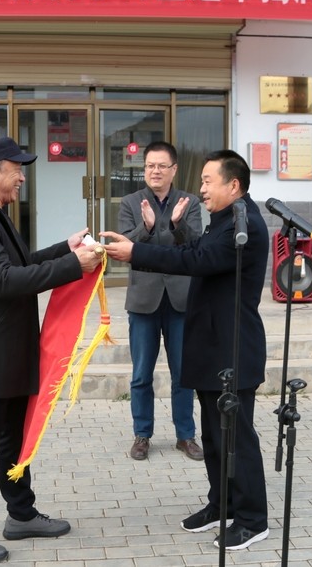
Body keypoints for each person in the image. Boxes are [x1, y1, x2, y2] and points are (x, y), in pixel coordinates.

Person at [0, 136, 102, 564]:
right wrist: (72, 267)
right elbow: (3, 280)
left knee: (13, 438)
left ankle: (21, 514)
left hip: (8, 348)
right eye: (16, 169)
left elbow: (21, 264)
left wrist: (65, 250)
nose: (22, 178)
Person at [102, 149, 270, 551]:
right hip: (211, 345)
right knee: (214, 435)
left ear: (234, 185)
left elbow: (197, 259)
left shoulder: (244, 225)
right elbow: (195, 251)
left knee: (237, 438)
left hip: (232, 346)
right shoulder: (224, 219)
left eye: (209, 181)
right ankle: (222, 504)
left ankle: (252, 519)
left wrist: (136, 252)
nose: (201, 189)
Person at [119, 141, 203, 462]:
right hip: (144, 300)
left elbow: (196, 246)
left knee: (183, 373)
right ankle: (142, 434)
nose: (155, 171)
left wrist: (178, 224)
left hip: (181, 299)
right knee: (141, 374)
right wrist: (147, 227)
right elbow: (124, 248)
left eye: (161, 166)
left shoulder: (189, 202)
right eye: (150, 166)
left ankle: (186, 436)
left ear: (173, 169)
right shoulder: (130, 202)